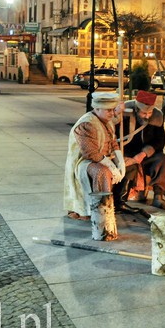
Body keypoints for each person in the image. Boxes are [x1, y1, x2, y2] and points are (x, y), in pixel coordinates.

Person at [64, 91, 130, 233]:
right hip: (84, 162)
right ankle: (101, 212)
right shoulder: (86, 124)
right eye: (109, 110)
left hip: (103, 159)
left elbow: (113, 143)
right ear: (97, 108)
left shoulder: (107, 122)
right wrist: (112, 167)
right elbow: (90, 153)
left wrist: (120, 162)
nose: (113, 113)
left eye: (113, 110)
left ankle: (115, 205)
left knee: (129, 167)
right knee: (102, 171)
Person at [118, 90, 165, 211]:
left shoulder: (156, 116)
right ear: (137, 109)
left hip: (147, 155)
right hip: (127, 152)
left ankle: (158, 197)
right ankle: (121, 199)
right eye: (144, 113)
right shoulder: (125, 113)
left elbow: (160, 142)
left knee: (163, 160)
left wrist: (143, 153)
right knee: (126, 165)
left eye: (150, 112)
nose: (148, 116)